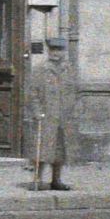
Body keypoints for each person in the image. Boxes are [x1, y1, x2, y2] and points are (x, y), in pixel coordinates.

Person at [31, 36, 77, 191]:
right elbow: (32, 93)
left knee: (60, 150)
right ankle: (36, 179)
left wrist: (75, 110)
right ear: (49, 51)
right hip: (47, 117)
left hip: (64, 117)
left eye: (60, 50)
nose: (56, 53)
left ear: (64, 51)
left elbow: (77, 92)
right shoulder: (40, 69)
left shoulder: (69, 70)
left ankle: (56, 180)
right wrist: (37, 112)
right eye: (53, 49)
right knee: (43, 150)